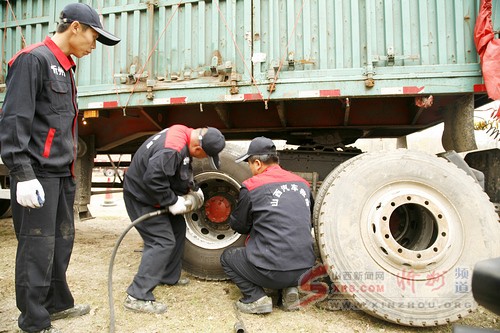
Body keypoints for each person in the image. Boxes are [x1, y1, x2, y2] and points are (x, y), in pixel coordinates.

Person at [0, 3, 120, 333]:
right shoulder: (33, 59)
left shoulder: (65, 66)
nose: (94, 46)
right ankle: (34, 321)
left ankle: (56, 303)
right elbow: (14, 119)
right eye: (95, 37)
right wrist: (21, 173)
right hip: (36, 174)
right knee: (36, 248)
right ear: (77, 27)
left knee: (60, 243)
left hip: (61, 174)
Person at [122, 124, 225, 314]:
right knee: (162, 241)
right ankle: (137, 295)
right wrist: (172, 201)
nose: (202, 159)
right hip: (141, 197)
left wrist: (190, 188)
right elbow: (153, 179)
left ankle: (168, 276)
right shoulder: (171, 150)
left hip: (154, 195)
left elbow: (177, 171)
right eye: (205, 155)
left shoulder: (183, 133)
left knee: (178, 229)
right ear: (197, 149)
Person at [220, 137, 316, 314]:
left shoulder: (252, 186)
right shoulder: (303, 184)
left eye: (249, 164)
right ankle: (290, 290)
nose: (250, 169)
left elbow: (240, 226)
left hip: (272, 270)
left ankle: (256, 298)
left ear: (257, 163)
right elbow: (306, 221)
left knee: (227, 258)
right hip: (305, 269)